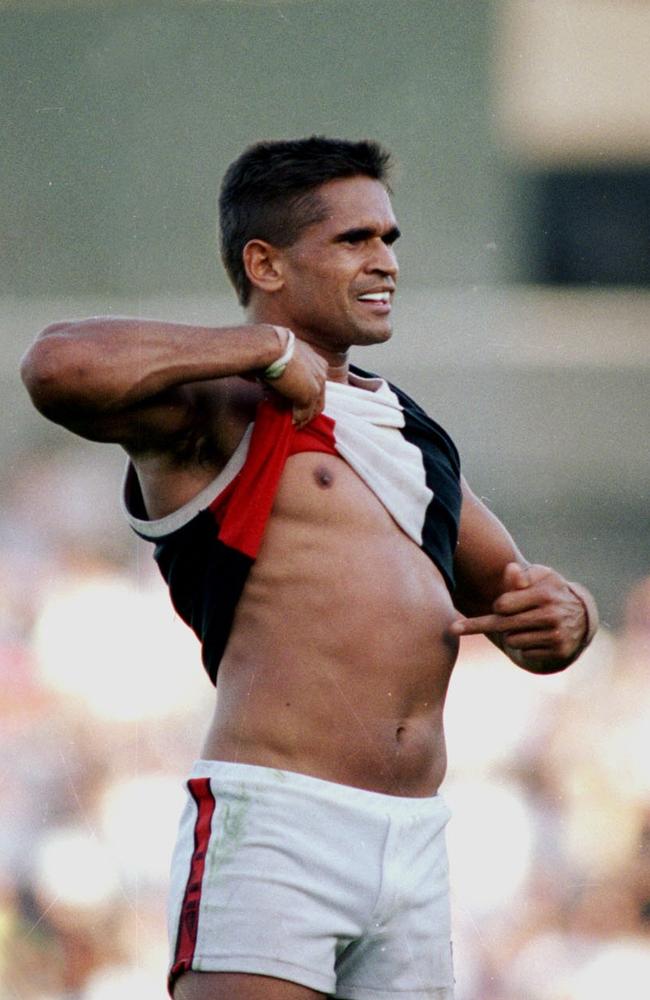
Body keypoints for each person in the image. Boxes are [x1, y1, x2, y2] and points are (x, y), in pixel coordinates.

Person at [21, 137, 597, 1000]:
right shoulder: (219, 407)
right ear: (266, 262)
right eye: (354, 240)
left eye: (389, 240)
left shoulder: (404, 425)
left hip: (416, 836)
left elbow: (526, 603)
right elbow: (57, 364)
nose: (384, 261)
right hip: (277, 822)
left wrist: (573, 614)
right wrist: (260, 352)